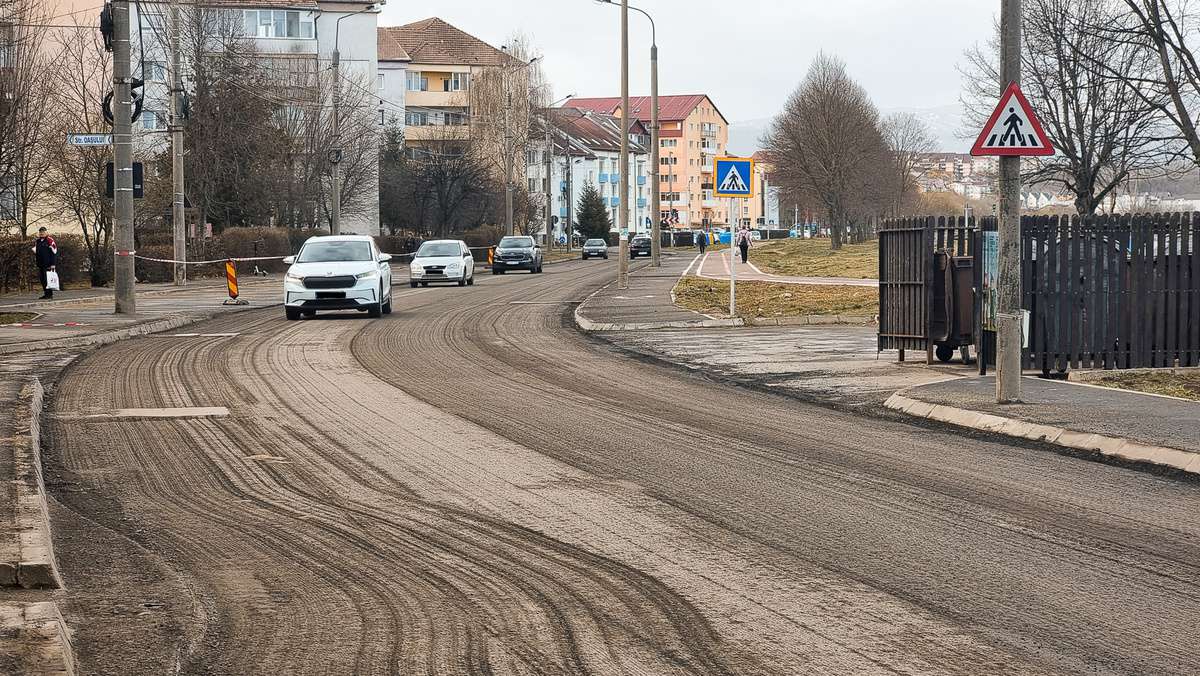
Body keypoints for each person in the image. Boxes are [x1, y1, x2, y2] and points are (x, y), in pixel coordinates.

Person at [32, 227, 58, 299]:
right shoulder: (38, 241)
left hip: (48, 264)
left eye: (43, 232)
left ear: (46, 232)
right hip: (40, 263)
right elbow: (37, 251)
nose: (41, 233)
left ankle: (49, 294)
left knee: (47, 279)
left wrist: (53, 264)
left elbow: (54, 252)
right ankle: (46, 293)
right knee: (42, 279)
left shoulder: (49, 240)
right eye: (40, 232)